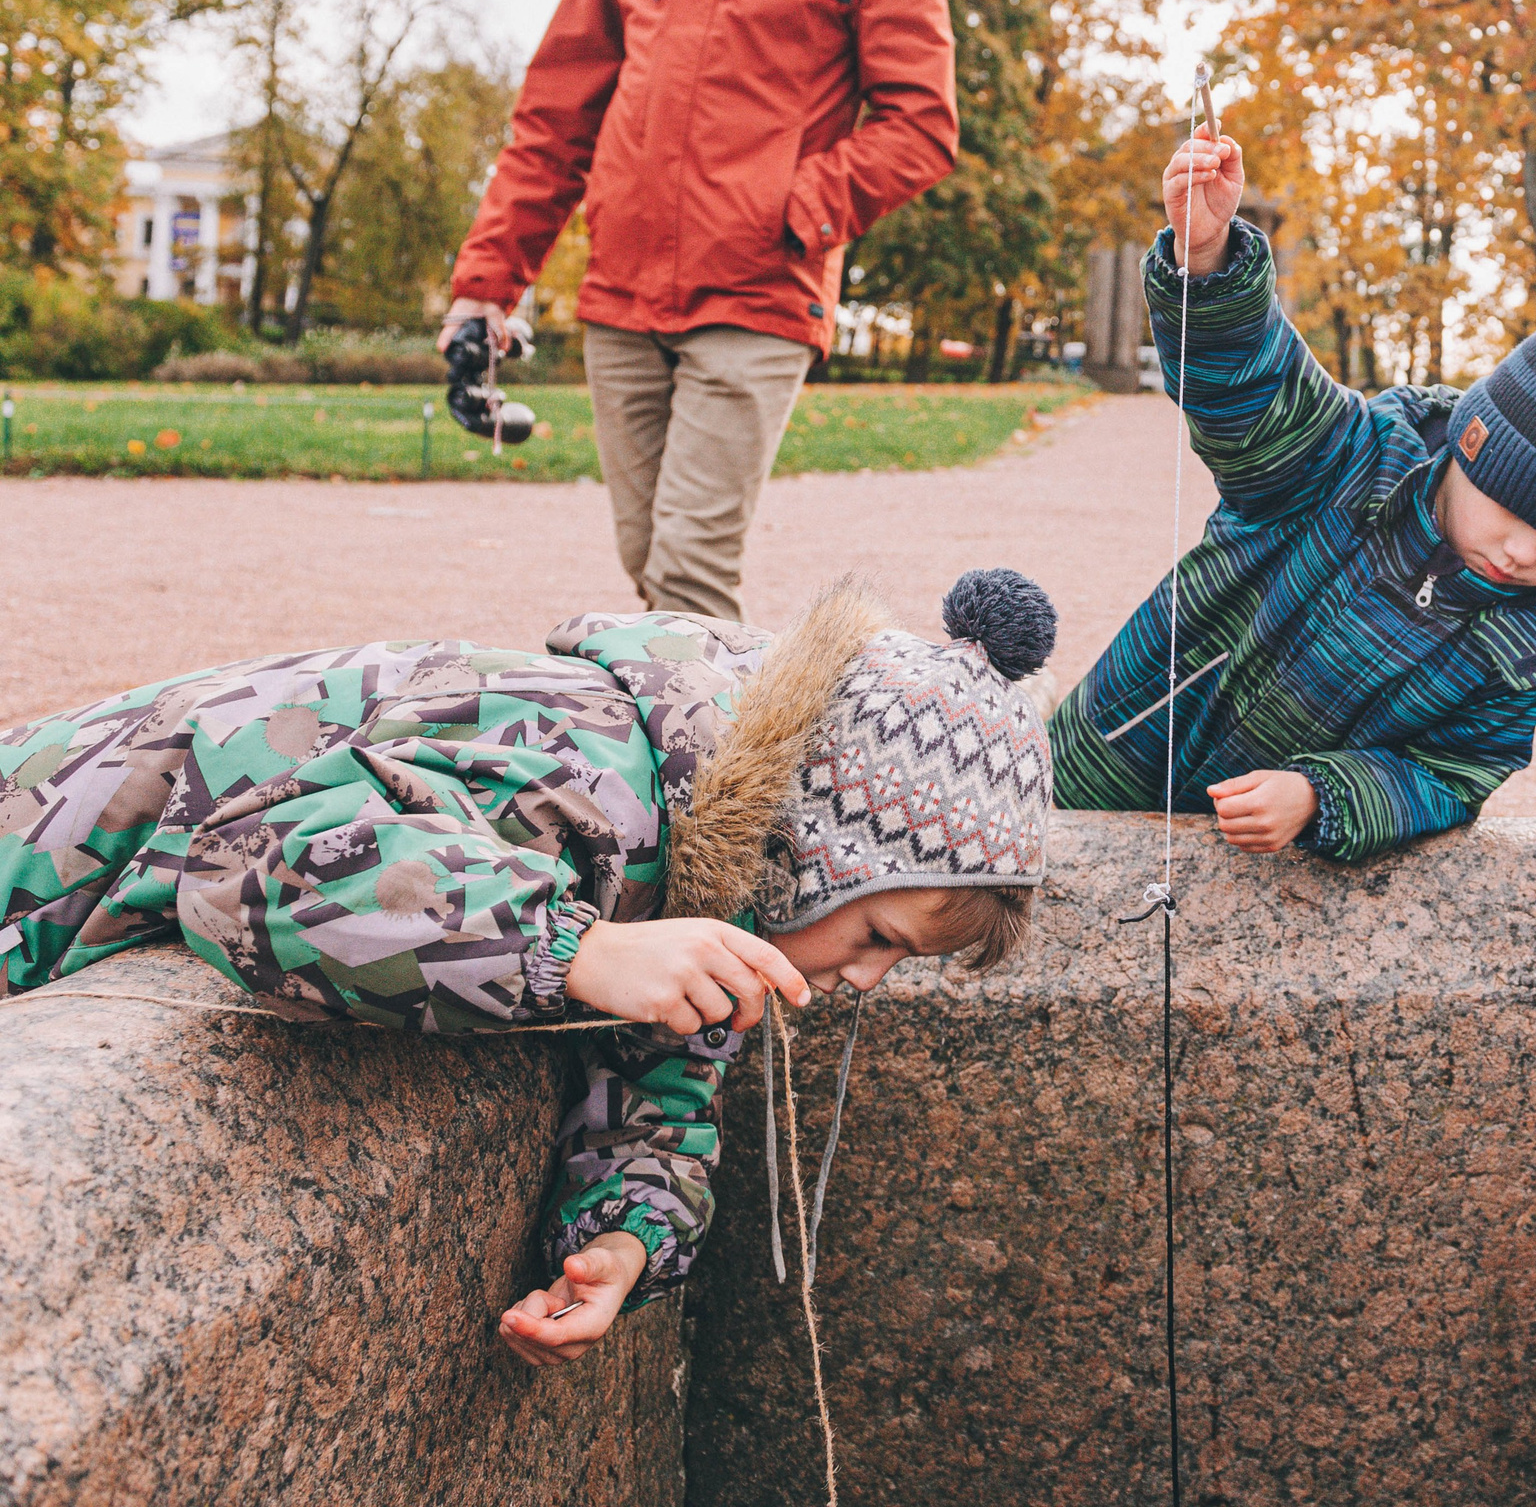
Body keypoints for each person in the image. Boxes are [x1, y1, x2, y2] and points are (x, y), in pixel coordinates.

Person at [0, 568, 1055, 1366]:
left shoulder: (710, 871)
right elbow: (257, 868)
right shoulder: (577, 757)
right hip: (34, 871)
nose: (866, 979)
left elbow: (668, 1060)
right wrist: (574, 950)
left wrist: (626, 1238)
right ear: (814, 853)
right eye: (879, 938)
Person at [439, 0, 959, 624]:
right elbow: (555, 120)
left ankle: (722, 777)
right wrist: (487, 283)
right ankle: (707, 751)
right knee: (649, 565)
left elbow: (921, 125)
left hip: (757, 299)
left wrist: (790, 214)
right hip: (623, 299)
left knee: (686, 577)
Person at [1048, 128, 1536, 861]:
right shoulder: (1341, 457)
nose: (1525, 552)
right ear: (1471, 447)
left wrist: (1323, 794)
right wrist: (1206, 264)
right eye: (1518, 512)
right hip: (1106, 763)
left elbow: (1449, 775)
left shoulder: (1529, 644)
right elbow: (1254, 383)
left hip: (1269, 869)